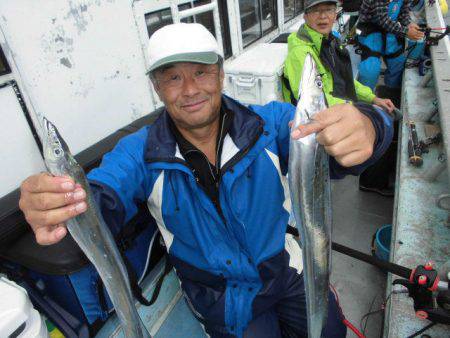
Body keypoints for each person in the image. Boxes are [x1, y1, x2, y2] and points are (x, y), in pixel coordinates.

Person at [19, 23, 393, 337]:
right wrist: (60, 206)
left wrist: (370, 126)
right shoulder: (138, 153)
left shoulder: (273, 123)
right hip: (220, 297)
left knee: (329, 331)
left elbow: (338, 149)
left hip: (287, 269)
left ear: (220, 73)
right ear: (156, 87)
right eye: (172, 78)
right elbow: (99, 198)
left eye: (200, 72)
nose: (190, 89)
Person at [283, 0, 395, 113]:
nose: (323, 16)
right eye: (316, 11)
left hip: (340, 107)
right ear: (305, 17)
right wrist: (356, 108)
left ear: (335, 14)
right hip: (315, 119)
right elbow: (311, 101)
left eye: (329, 10)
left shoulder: (330, 41)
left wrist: (373, 98)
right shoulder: (300, 54)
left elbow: (346, 80)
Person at [356, 0, 424, 91]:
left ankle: (390, 91)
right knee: (370, 68)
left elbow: (403, 13)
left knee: (398, 62)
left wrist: (409, 24)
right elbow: (382, 19)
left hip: (390, 31)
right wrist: (406, 32)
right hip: (370, 31)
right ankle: (364, 100)